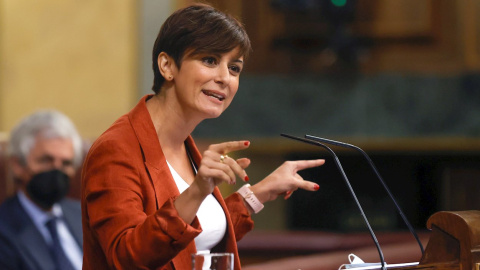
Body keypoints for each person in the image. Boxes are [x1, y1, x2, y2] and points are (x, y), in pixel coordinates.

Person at [81, 3, 325, 270]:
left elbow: (193, 239)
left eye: (234, 68)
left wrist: (258, 193)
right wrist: (197, 191)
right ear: (167, 66)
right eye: (210, 60)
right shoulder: (116, 149)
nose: (225, 78)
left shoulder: (185, 144)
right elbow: (126, 257)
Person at [0, 110, 84, 270]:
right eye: (46, 160)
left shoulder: (86, 216)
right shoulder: (4, 230)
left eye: (66, 163)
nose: (57, 171)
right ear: (17, 165)